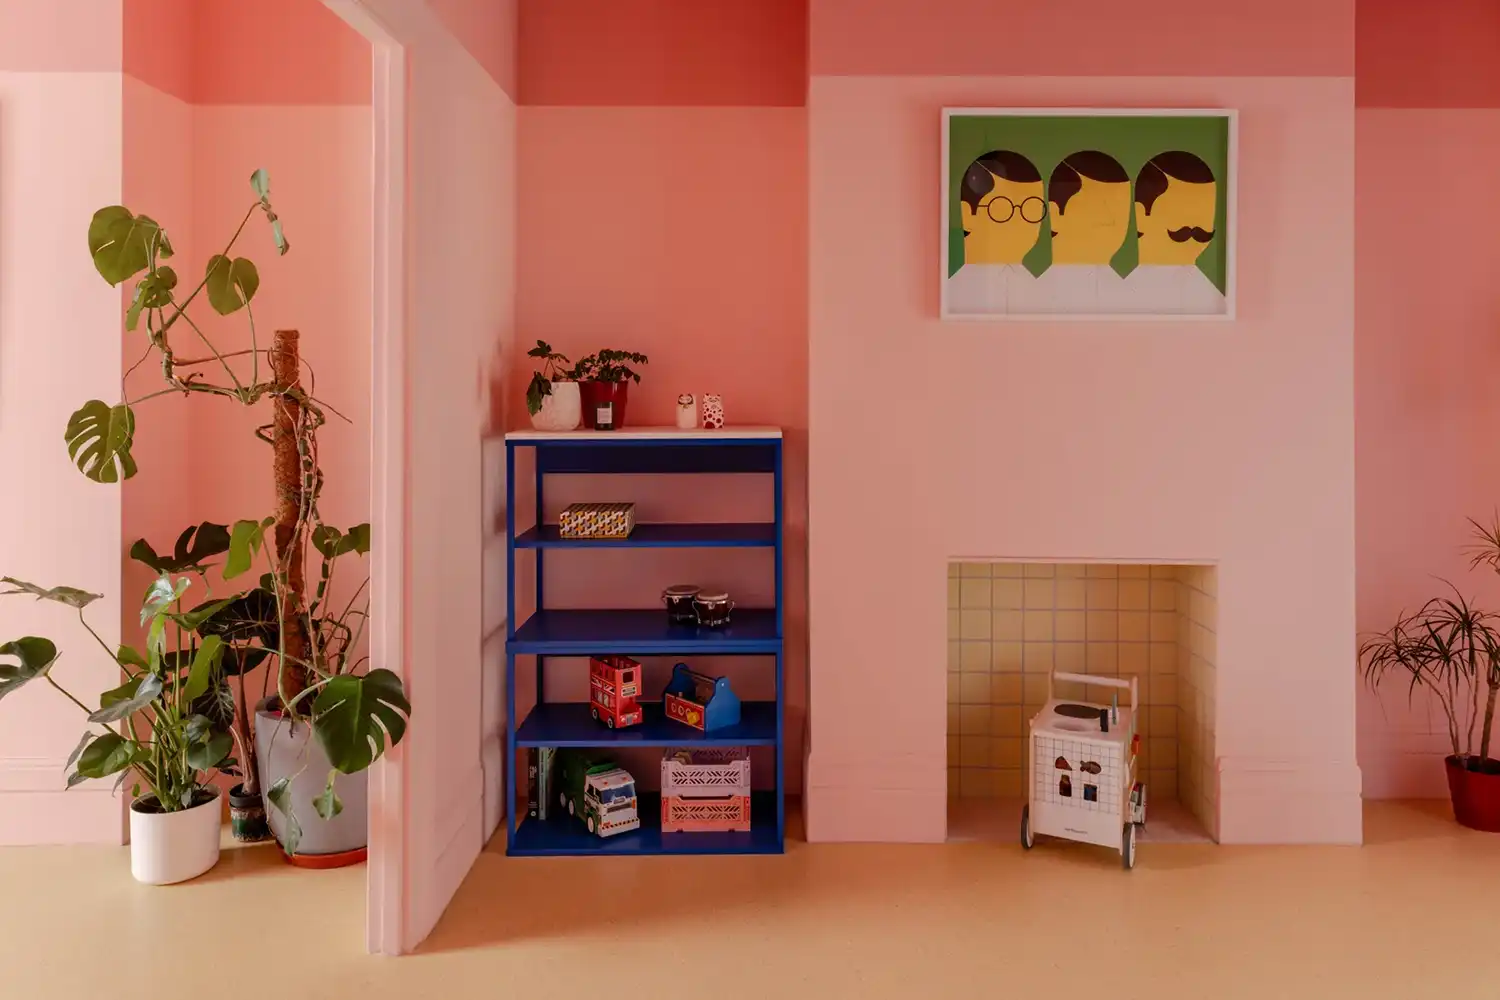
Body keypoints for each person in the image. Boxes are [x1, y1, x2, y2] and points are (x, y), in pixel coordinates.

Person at [1117, 150, 1226, 315]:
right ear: (1142, 214)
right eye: (1182, 210)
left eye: (1205, 211)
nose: (1195, 226)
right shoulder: (1120, 299)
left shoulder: (1213, 301)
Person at [945, 150, 1049, 316]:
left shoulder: (1045, 298)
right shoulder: (953, 297)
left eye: (1032, 208)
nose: (1020, 222)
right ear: (968, 213)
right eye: (1002, 208)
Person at [1028, 150, 1132, 313]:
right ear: (1056, 213)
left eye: (1118, 206)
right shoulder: (1031, 298)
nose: (1110, 219)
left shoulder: (1131, 297)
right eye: (1097, 206)